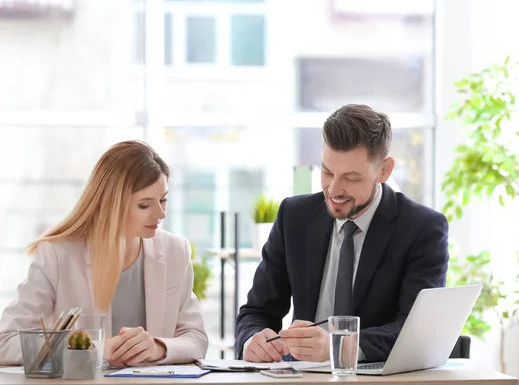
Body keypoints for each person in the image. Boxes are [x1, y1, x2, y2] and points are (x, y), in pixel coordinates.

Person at [235, 104, 449, 363]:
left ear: (384, 170)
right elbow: (257, 310)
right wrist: (252, 340)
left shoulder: (422, 228)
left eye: (351, 178)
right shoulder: (295, 216)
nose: (334, 190)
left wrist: (341, 347)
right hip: (299, 378)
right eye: (327, 172)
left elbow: (416, 331)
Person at [0, 140, 208, 367]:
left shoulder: (175, 251)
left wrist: (157, 347)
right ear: (112, 204)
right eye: (144, 205)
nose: (160, 213)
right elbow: (6, 342)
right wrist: (96, 348)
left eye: (163, 199)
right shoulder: (58, 255)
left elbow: (196, 338)